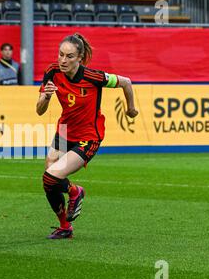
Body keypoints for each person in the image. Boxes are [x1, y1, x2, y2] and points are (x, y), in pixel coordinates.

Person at [36, 33, 138, 239]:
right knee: (50, 180)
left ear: (80, 57)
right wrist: (46, 96)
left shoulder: (94, 77)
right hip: (64, 131)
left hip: (88, 136)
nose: (63, 60)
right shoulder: (52, 71)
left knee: (51, 176)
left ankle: (74, 193)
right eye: (61, 55)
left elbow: (126, 82)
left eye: (69, 56)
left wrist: (131, 109)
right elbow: (39, 110)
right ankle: (65, 225)